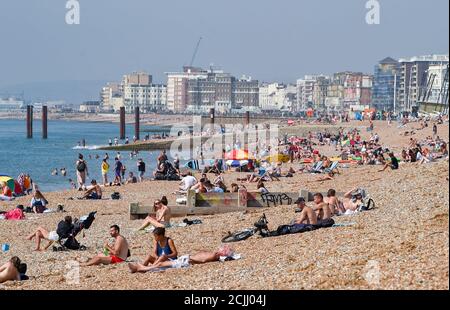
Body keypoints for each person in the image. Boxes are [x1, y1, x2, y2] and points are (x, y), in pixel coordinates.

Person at [128, 245, 235, 273]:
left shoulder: (213, 256)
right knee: (162, 264)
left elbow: (202, 261)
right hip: (185, 259)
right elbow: (201, 256)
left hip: (185, 261)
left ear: (223, 253)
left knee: (161, 265)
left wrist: (191, 260)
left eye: (224, 249)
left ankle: (140, 268)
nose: (222, 247)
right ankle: (141, 268)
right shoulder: (213, 253)